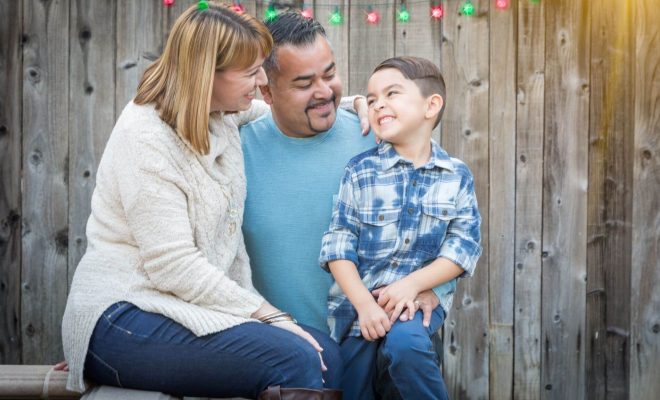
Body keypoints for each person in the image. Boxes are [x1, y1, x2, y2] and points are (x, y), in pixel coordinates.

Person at [60, 3, 342, 399]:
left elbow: (286, 105)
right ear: (207, 75)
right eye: (250, 73)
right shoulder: (147, 139)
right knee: (296, 359)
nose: (261, 80)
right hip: (123, 317)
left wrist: (363, 103)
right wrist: (270, 315)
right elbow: (173, 266)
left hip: (183, 310)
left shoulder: (221, 112)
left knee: (327, 353)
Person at [241, 13, 445, 400]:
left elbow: (443, 217)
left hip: (384, 345)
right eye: (304, 83)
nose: (324, 91)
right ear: (266, 92)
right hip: (292, 366)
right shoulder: (236, 152)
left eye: (329, 74)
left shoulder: (379, 136)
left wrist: (437, 287)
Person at [319, 56, 482, 400]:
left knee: (407, 347)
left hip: (417, 302)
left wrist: (413, 285)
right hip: (358, 310)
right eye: (373, 98)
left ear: (431, 105)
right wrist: (364, 304)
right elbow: (338, 245)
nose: (379, 105)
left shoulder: (455, 175)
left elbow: (462, 248)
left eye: (392, 94)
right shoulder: (360, 171)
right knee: (352, 385)